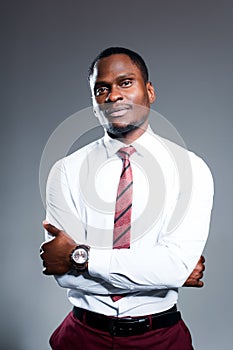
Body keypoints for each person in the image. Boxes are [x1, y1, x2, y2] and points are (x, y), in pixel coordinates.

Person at [40, 47, 214, 349]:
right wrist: (160, 274)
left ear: (150, 91)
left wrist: (81, 257)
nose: (113, 96)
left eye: (125, 82)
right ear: (94, 103)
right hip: (82, 337)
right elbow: (64, 274)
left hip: (161, 338)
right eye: (101, 88)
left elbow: (174, 265)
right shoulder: (66, 170)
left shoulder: (191, 169)